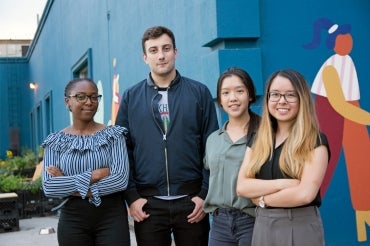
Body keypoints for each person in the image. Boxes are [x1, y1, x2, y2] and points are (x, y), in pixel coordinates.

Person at [115, 25, 219, 246]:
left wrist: (204, 194)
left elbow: (213, 148)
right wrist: (131, 197)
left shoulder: (199, 93)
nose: (161, 55)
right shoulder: (131, 97)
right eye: (153, 50)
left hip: (192, 202)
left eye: (166, 48)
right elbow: (122, 151)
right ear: (145, 57)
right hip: (149, 205)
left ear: (176, 52)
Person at [236, 69, 330, 246]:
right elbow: (242, 187)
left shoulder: (314, 141)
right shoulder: (257, 140)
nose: (282, 101)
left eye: (290, 95)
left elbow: (304, 194)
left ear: (302, 99)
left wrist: (262, 199)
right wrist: (284, 184)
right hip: (263, 225)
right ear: (268, 99)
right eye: (275, 94)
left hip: (300, 224)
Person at [42, 78, 130, 246]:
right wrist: (95, 174)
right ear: (68, 101)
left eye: (94, 97)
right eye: (81, 97)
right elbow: (50, 187)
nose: (89, 102)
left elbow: (120, 180)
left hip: (111, 218)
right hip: (73, 221)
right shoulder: (55, 142)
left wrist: (67, 182)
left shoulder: (114, 136)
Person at [203, 67, 260, 246]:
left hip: (252, 220)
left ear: (250, 95)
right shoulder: (213, 139)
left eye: (239, 91)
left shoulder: (265, 135)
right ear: (220, 100)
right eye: (226, 93)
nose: (233, 98)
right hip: (219, 223)